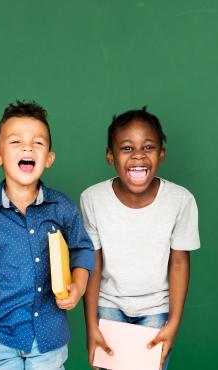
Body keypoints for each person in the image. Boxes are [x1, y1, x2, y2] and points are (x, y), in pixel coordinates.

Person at [0, 101, 95, 370]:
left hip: (50, 336)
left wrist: (78, 288)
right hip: (0, 336)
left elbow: (82, 251)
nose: (27, 148)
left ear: (48, 158)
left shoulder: (61, 207)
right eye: (16, 142)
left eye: (38, 143)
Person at [81, 107, 200, 369]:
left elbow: (179, 263)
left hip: (156, 308)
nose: (137, 155)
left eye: (148, 148)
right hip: (109, 305)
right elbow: (93, 263)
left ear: (161, 154)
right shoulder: (92, 199)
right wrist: (91, 325)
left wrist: (174, 323)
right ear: (110, 156)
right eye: (126, 148)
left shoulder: (181, 201)